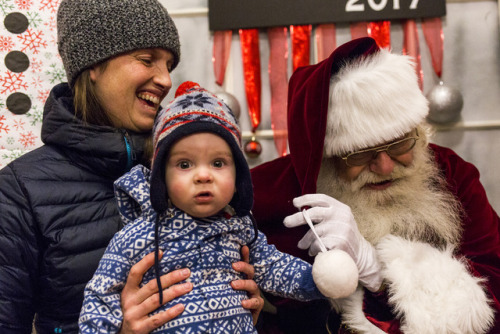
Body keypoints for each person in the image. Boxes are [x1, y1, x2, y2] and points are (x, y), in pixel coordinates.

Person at [0, 1, 261, 333]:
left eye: (169, 64)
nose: (166, 79)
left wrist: (239, 309)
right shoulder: (20, 190)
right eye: (147, 60)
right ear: (93, 65)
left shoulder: (188, 169)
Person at [251, 37, 500, 333]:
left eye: (399, 144)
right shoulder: (269, 193)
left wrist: (379, 272)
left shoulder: (452, 174)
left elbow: (494, 284)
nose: (384, 167)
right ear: (326, 160)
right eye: (360, 154)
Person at [78, 82, 328, 333]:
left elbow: (273, 267)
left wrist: (322, 280)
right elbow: (101, 295)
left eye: (218, 163)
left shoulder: (241, 229)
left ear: (238, 174)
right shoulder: (136, 236)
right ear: (160, 175)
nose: (203, 176)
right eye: (185, 164)